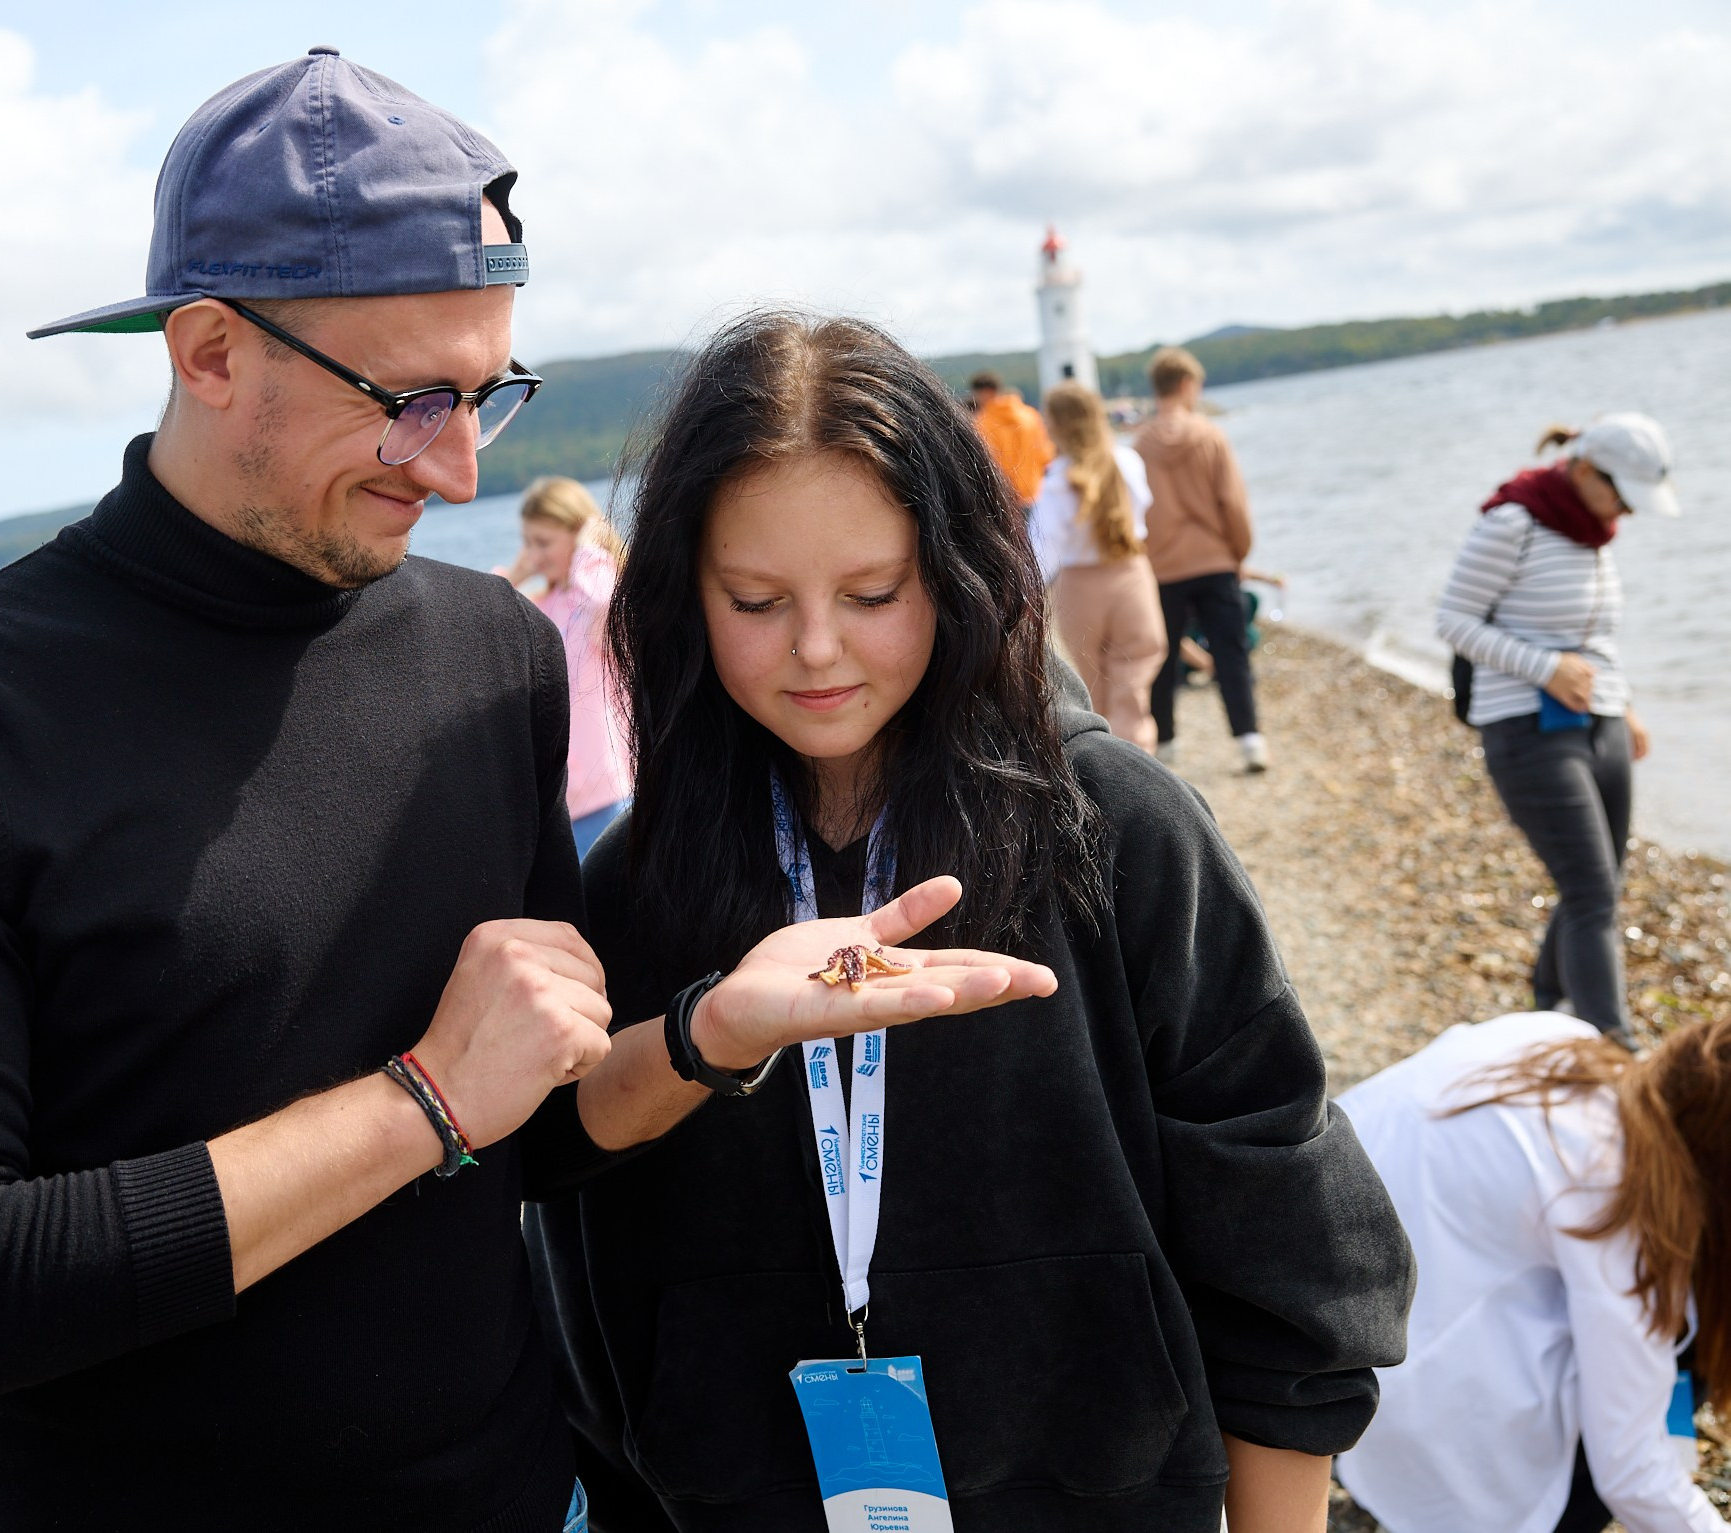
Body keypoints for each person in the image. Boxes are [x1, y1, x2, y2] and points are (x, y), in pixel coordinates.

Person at [0, 56, 1050, 1530]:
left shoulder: (491, 654)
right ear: (207, 353)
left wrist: (707, 1030)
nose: (455, 470)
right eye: (408, 399)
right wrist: (421, 1100)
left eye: (489, 393)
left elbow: (536, 1133)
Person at [529, 311, 1414, 1532]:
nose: (818, 648)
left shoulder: (1118, 825)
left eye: (873, 591)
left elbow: (1283, 1243)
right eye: (754, 600)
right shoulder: (628, 883)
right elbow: (552, 1177)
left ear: (954, 570)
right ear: (682, 596)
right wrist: (706, 1035)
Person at [1335, 1011, 1731, 1533]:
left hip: (1292, 1317)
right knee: (1681, 1352)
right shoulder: (1617, 1206)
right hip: (1368, 1402)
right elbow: (1631, 1472)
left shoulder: (1556, 1037)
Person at [1435, 414, 1679, 1047]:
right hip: (1524, 728)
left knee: (1596, 882)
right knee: (1593, 891)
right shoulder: (1513, 521)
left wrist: (1625, 709)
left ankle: (1548, 1004)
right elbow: (1454, 619)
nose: (1624, 509)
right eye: (1620, 493)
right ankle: (1614, 1053)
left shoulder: (1592, 529)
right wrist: (1544, 668)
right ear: (1584, 469)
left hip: (1601, 722)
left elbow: (1593, 637)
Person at [1135, 346, 1266, 771]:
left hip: (1162, 567)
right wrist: (1239, 551)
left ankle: (1167, 744)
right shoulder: (1210, 435)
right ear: (1188, 384)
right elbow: (1232, 501)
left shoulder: (1140, 444)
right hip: (1214, 561)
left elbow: (1134, 511)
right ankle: (1249, 740)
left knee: (1162, 657)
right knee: (1232, 653)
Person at [1028, 379, 1165, 752]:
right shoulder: (1127, 462)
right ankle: (1139, 755)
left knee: (1093, 685)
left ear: (1055, 424)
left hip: (1078, 586)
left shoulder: (1057, 479)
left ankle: (1105, 768)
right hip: (1130, 574)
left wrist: (1022, 599)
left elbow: (1044, 550)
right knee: (1133, 679)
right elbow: (1144, 513)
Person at [501, 477, 632, 853]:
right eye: (527, 543)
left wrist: (590, 552)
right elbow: (486, 645)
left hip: (609, 795)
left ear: (578, 535)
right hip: (560, 801)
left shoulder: (594, 599)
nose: (534, 555)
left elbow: (606, 608)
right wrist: (513, 578)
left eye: (543, 543)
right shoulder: (545, 605)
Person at [966, 368, 1053, 508]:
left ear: (983, 392)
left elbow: (985, 461)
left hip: (1005, 496)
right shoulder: (1030, 415)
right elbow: (1045, 453)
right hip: (1036, 491)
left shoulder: (983, 422)